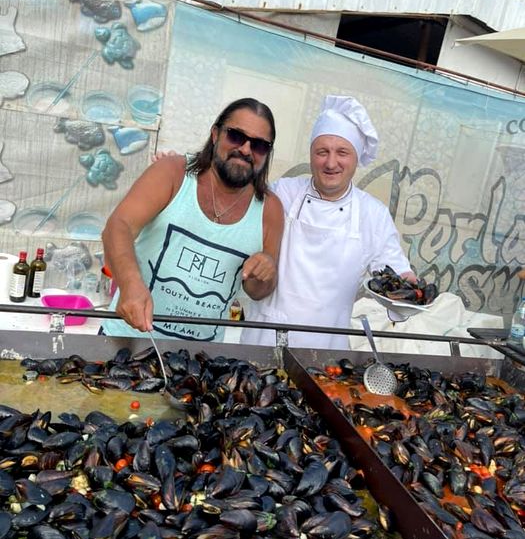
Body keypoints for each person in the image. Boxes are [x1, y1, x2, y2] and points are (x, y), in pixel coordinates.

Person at [240, 94, 416, 350]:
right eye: (322, 152)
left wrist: (408, 289)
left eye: (342, 152)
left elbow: (394, 273)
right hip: (265, 339)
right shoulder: (282, 193)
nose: (331, 163)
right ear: (311, 155)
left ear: (356, 157)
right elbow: (237, 211)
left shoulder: (373, 215)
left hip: (326, 350)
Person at [101, 97, 284, 342]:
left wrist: (265, 273)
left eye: (260, 145)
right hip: (127, 342)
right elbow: (118, 226)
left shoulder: (270, 209)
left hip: (202, 359)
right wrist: (130, 283)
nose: (245, 150)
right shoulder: (172, 172)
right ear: (215, 134)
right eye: (236, 136)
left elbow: (258, 291)